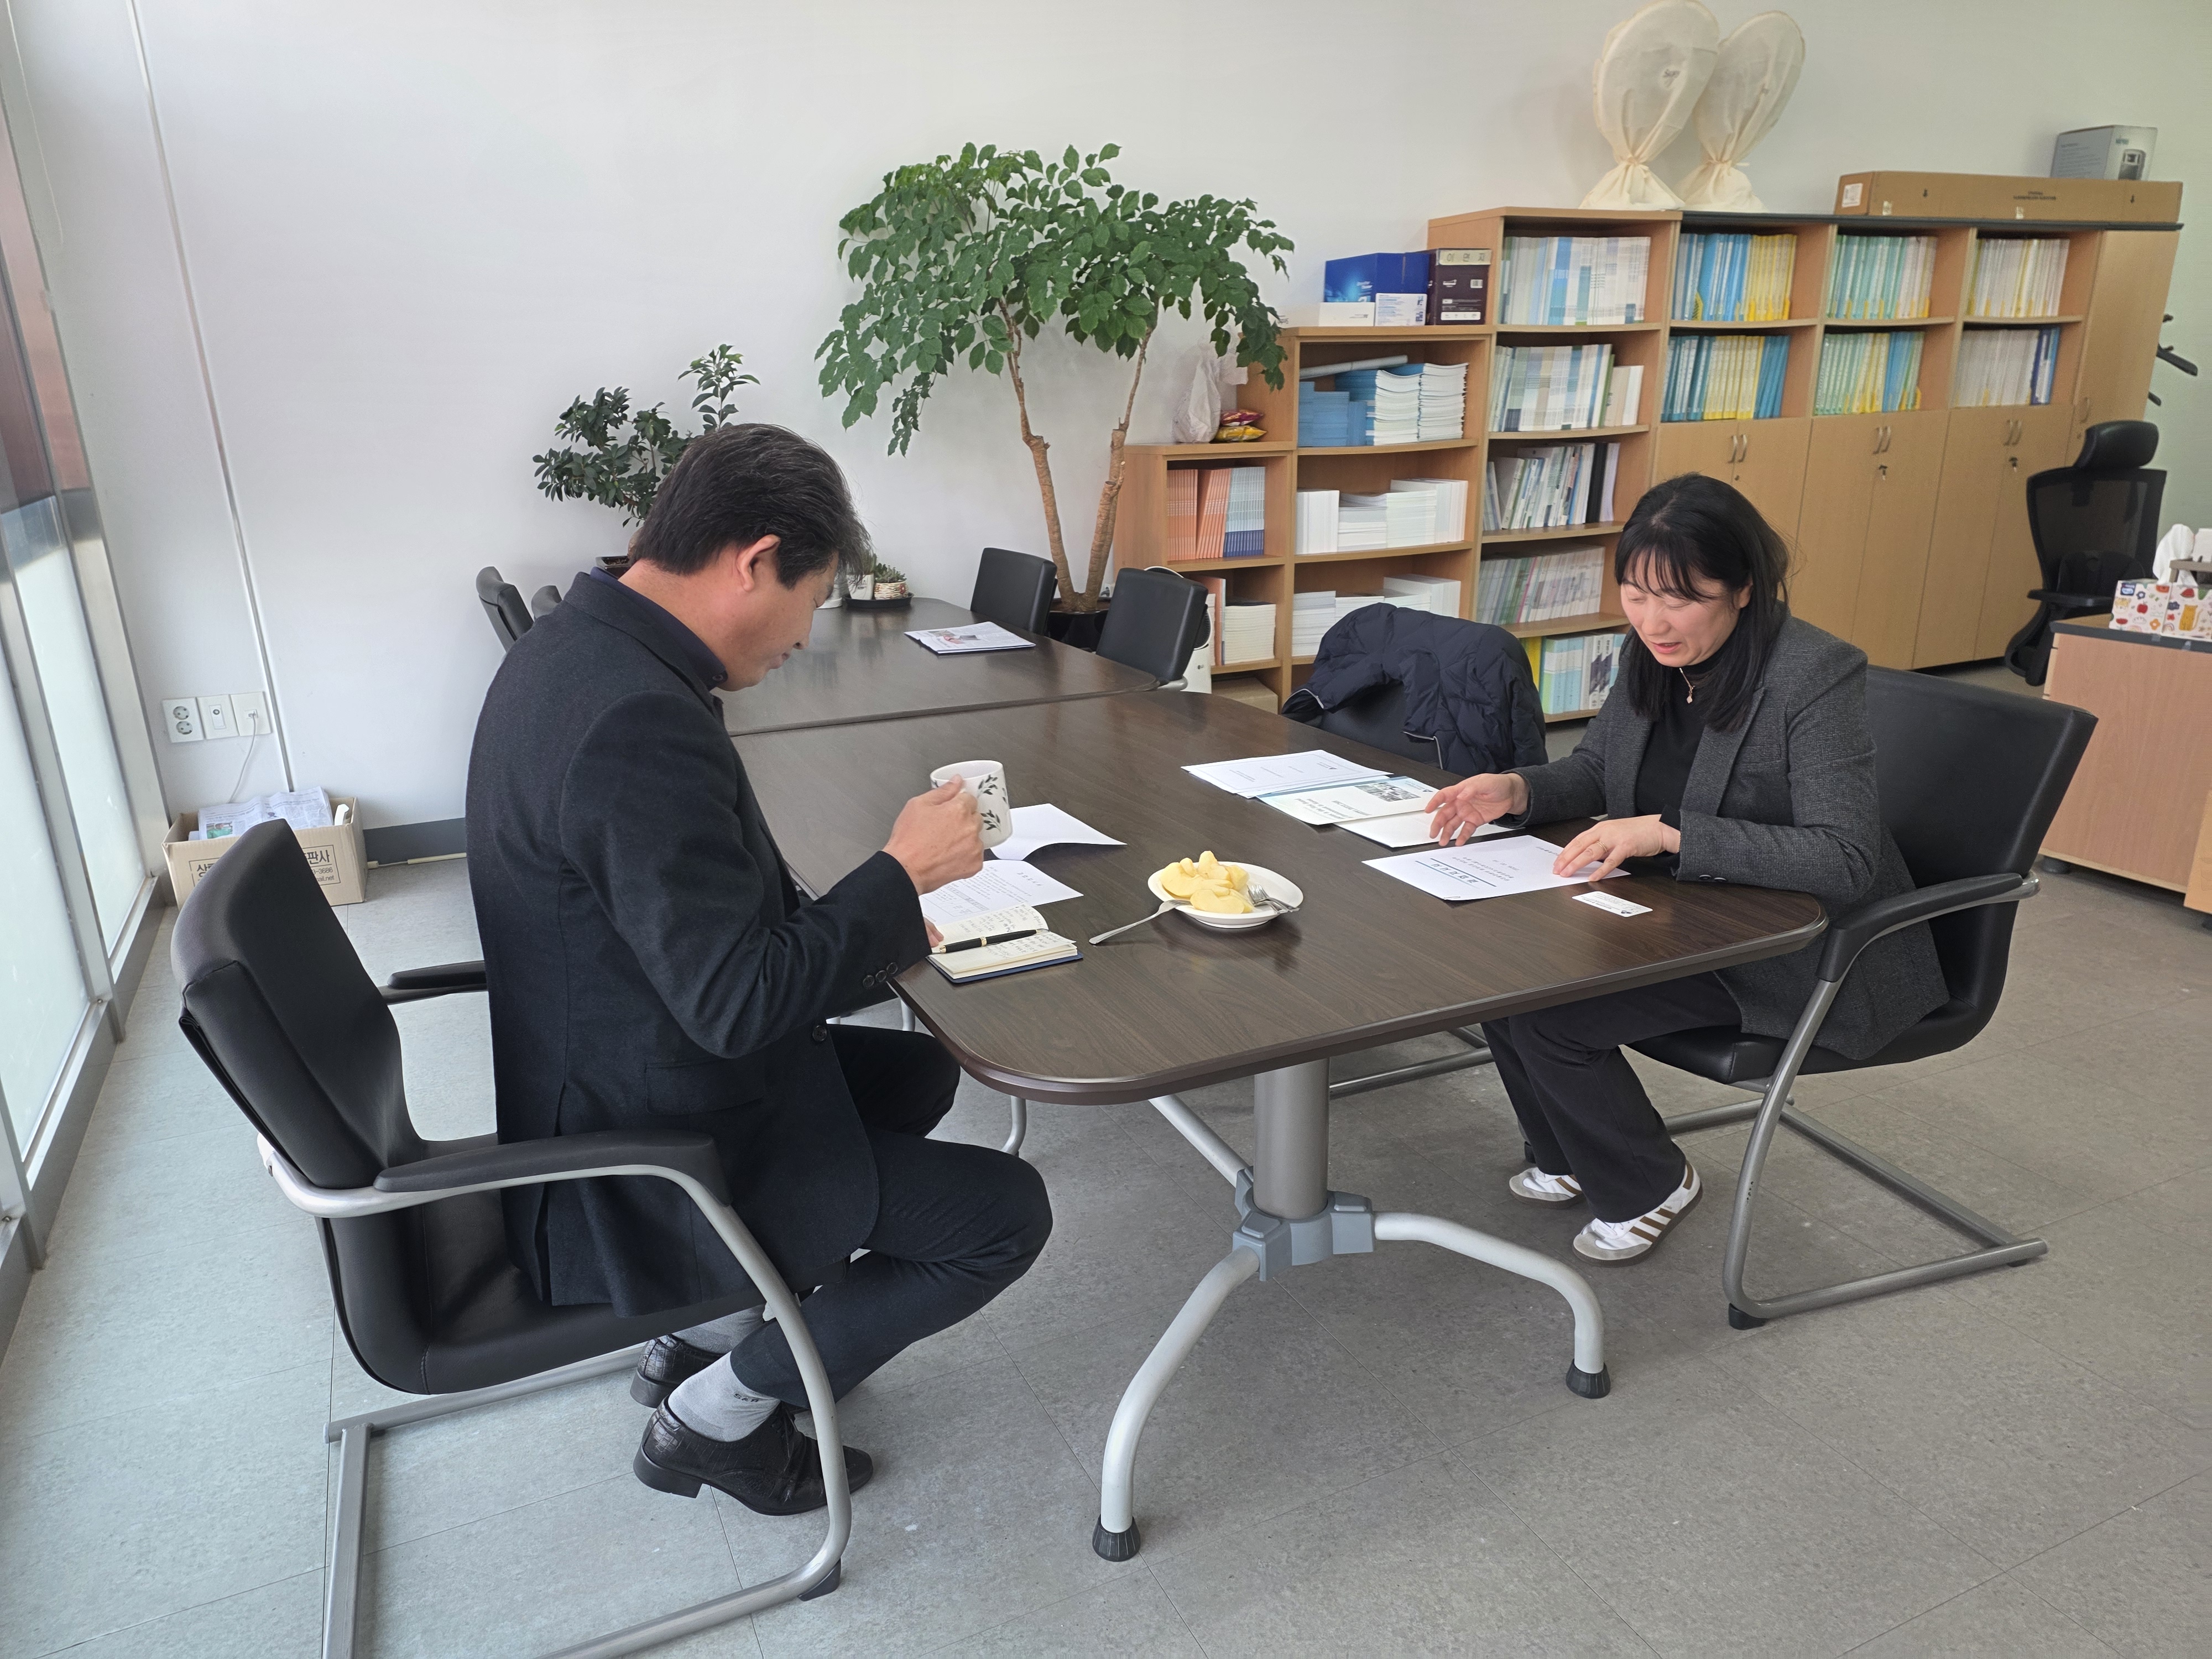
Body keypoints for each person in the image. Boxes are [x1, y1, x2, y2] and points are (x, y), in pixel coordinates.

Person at [466, 423, 1052, 1516]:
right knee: (1002, 1216)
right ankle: (714, 1415)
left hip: (606, 1063)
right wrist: (898, 876)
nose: (803, 635)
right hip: (647, 1144)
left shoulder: (578, 652)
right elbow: (736, 1005)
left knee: (922, 1071)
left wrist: (871, 913)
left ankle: (712, 1321)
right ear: (754, 561)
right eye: (811, 599)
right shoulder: (636, 720)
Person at [1425, 473, 1946, 1265]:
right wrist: (1521, 789)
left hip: (1794, 944)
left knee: (1554, 1019)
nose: (1652, 621)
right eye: (1636, 595)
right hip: (1679, 914)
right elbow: (1598, 769)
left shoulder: (1813, 675)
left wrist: (1670, 835)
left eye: (1681, 599)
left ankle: (1650, 1183)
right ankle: (1570, 1152)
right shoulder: (1654, 654)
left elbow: (1844, 857)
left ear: (1742, 589)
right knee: (1506, 981)